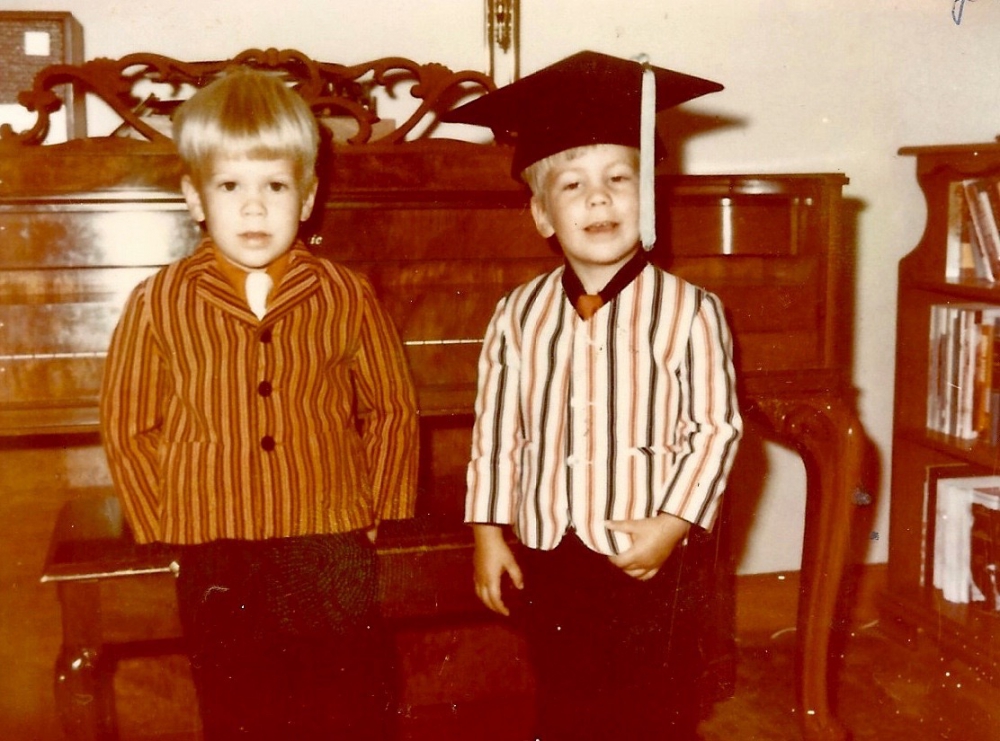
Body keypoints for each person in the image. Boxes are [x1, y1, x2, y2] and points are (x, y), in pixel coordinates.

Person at [99, 67, 419, 741]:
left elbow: (390, 407)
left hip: (327, 535)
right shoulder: (159, 301)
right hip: (216, 547)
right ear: (195, 197)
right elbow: (128, 421)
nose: (252, 208)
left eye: (274, 186)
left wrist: (375, 512)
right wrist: (169, 522)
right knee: (239, 703)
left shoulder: (345, 293)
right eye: (230, 186)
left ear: (307, 197)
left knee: (347, 700)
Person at [446, 51, 743, 740]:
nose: (600, 198)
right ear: (543, 215)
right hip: (550, 548)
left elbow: (715, 429)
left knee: (653, 703)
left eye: (619, 178)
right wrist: (488, 532)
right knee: (566, 690)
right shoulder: (515, 315)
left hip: (649, 553)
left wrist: (672, 525)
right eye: (572, 185)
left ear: (649, 198)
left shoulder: (690, 310)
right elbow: (496, 431)